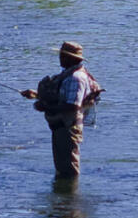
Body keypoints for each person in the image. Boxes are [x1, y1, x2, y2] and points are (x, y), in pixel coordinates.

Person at [22, 41, 102, 178]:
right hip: (61, 126)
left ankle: (69, 197)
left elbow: (73, 106)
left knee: (68, 170)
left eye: (64, 56)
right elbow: (62, 96)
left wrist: (44, 106)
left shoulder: (76, 78)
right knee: (62, 167)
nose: (60, 58)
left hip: (68, 127)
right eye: (61, 55)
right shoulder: (68, 74)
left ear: (73, 58)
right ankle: (65, 197)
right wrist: (36, 95)